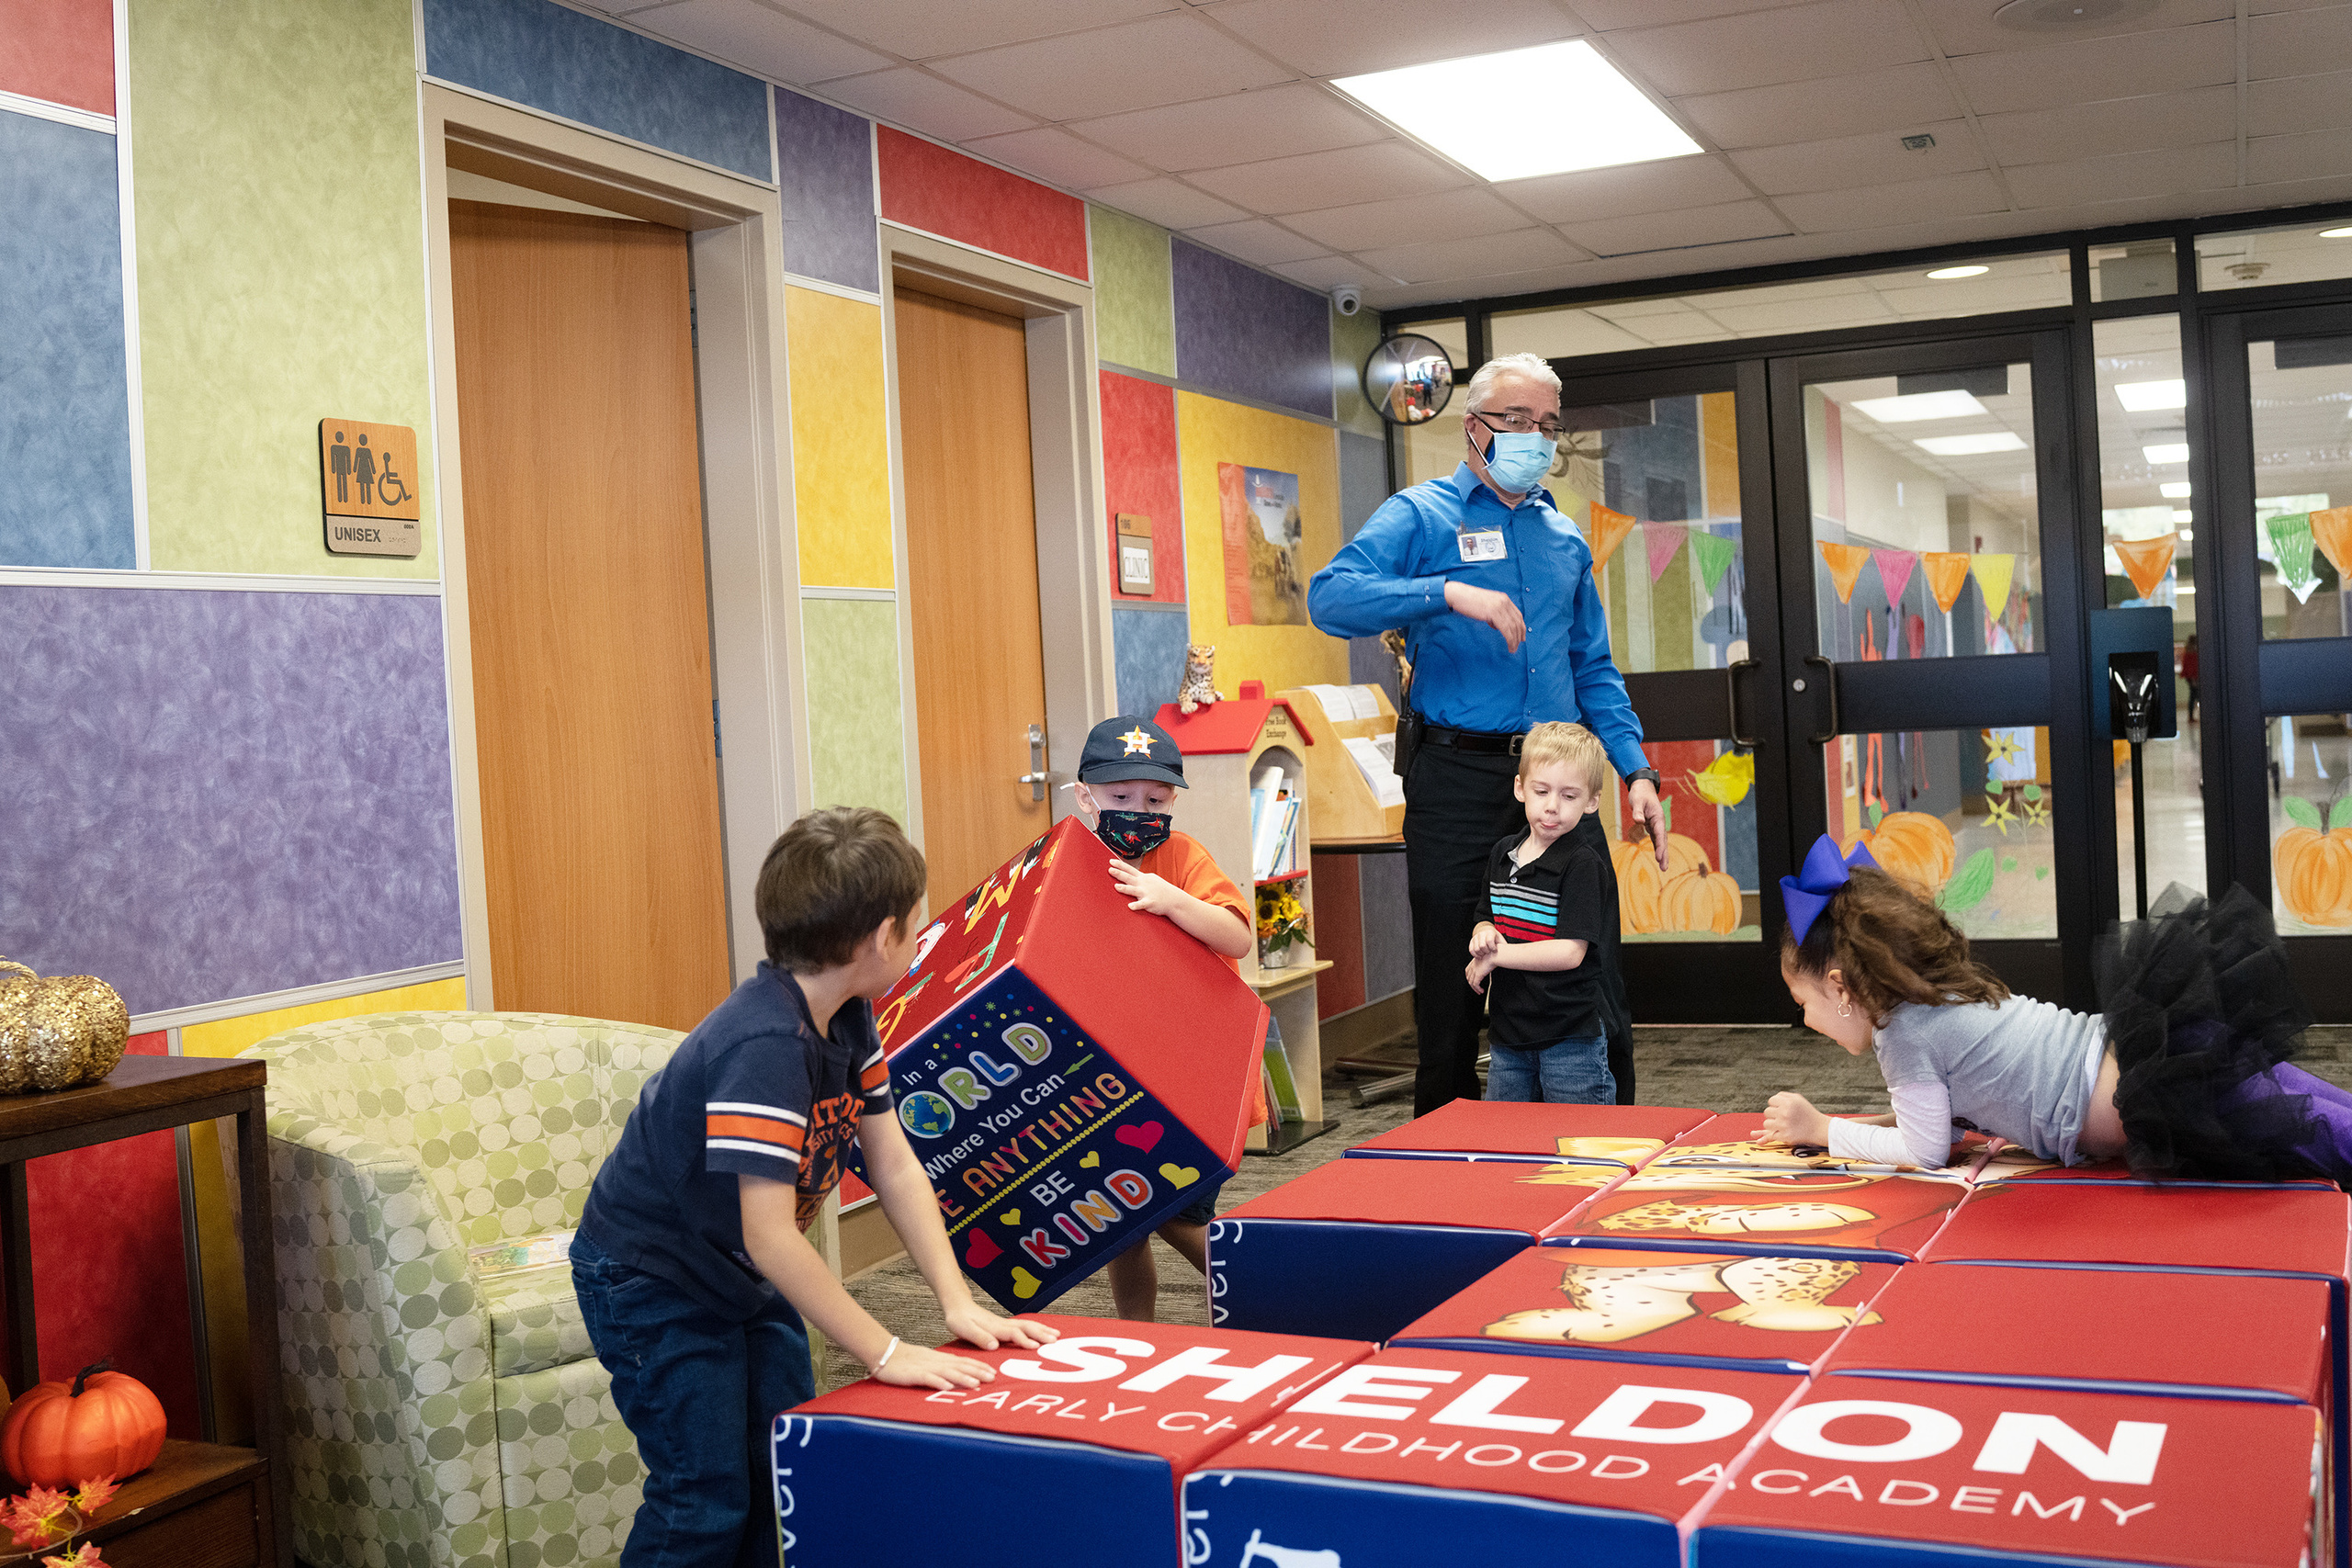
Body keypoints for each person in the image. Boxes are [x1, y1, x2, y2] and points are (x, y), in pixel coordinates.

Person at [571, 807, 1057, 1565]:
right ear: (880, 938)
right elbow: (769, 1232)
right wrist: (883, 1347)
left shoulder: (851, 1014)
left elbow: (893, 1163)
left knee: (786, 1466)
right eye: (917, 919)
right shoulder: (764, 1044)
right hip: (653, 1278)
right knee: (704, 1495)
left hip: (740, 1269)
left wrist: (954, 1299)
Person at [1309, 350, 1666, 1116]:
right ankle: (1445, 1168)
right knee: (1452, 987)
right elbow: (1330, 597)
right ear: (1472, 428)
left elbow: (1593, 667)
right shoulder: (1422, 513)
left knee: (1591, 979)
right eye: (1517, 420)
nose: (1535, 436)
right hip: (1459, 784)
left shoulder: (1563, 538)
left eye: (1547, 425)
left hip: (1559, 786)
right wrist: (1445, 593)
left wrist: (1636, 771)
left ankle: (1608, 1153)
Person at [1760, 832, 2346, 1185]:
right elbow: (1940, 1123)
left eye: (1803, 1002)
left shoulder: (1903, 1036)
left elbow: (1926, 1150)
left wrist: (1824, 1129)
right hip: (2137, 1054)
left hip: (2139, 1093)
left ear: (1840, 987)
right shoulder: (1931, 994)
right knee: (2299, 1102)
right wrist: (1869, 1124)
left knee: (2310, 1127)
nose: (1807, 1021)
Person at [1066, 715, 1258, 1321]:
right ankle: (1135, 1337)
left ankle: (1268, 1291)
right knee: (1122, 1229)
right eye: (1120, 798)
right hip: (1116, 1081)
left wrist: (1172, 900)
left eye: (1156, 798)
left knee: (1181, 1215)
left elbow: (1237, 935)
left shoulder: (1182, 856)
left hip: (1192, 1084)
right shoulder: (1070, 864)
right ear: (1084, 797)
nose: (1138, 809)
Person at [1466, 722, 1622, 1103]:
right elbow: (1486, 913)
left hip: (1571, 1039)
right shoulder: (1503, 852)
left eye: (1569, 796)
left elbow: (1569, 952)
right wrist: (1483, 934)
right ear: (1520, 788)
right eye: (1541, 791)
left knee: (1582, 1145)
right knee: (1506, 1142)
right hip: (1508, 1036)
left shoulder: (1583, 864)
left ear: (1591, 802)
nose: (1552, 806)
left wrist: (1496, 957)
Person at [2180, 633, 2200, 724]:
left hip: (2193, 678)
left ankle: (2192, 717)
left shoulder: (2189, 651)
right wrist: (2193, 679)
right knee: (2195, 697)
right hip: (2193, 678)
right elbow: (2191, 667)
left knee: (2194, 697)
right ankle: (2192, 717)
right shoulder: (2191, 652)